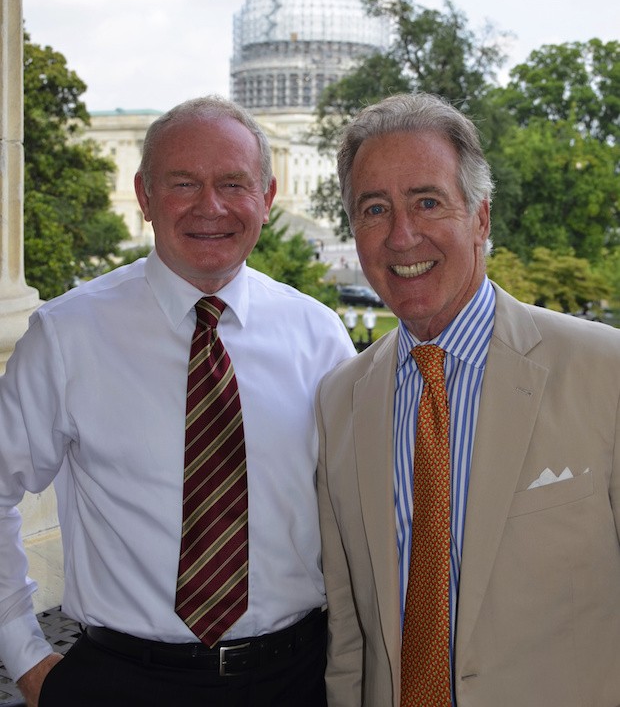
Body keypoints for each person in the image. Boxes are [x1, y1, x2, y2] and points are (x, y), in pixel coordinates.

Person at [0, 95, 355, 707]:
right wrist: (23, 652)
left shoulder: (318, 336)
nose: (210, 207)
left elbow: (360, 514)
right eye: (183, 183)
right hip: (120, 681)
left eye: (234, 184)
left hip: (294, 679)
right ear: (143, 196)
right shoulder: (67, 336)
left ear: (268, 199)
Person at [316, 92, 620, 707]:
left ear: (481, 217)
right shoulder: (340, 400)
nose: (402, 236)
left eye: (427, 202)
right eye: (375, 209)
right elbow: (350, 633)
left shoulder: (605, 372)